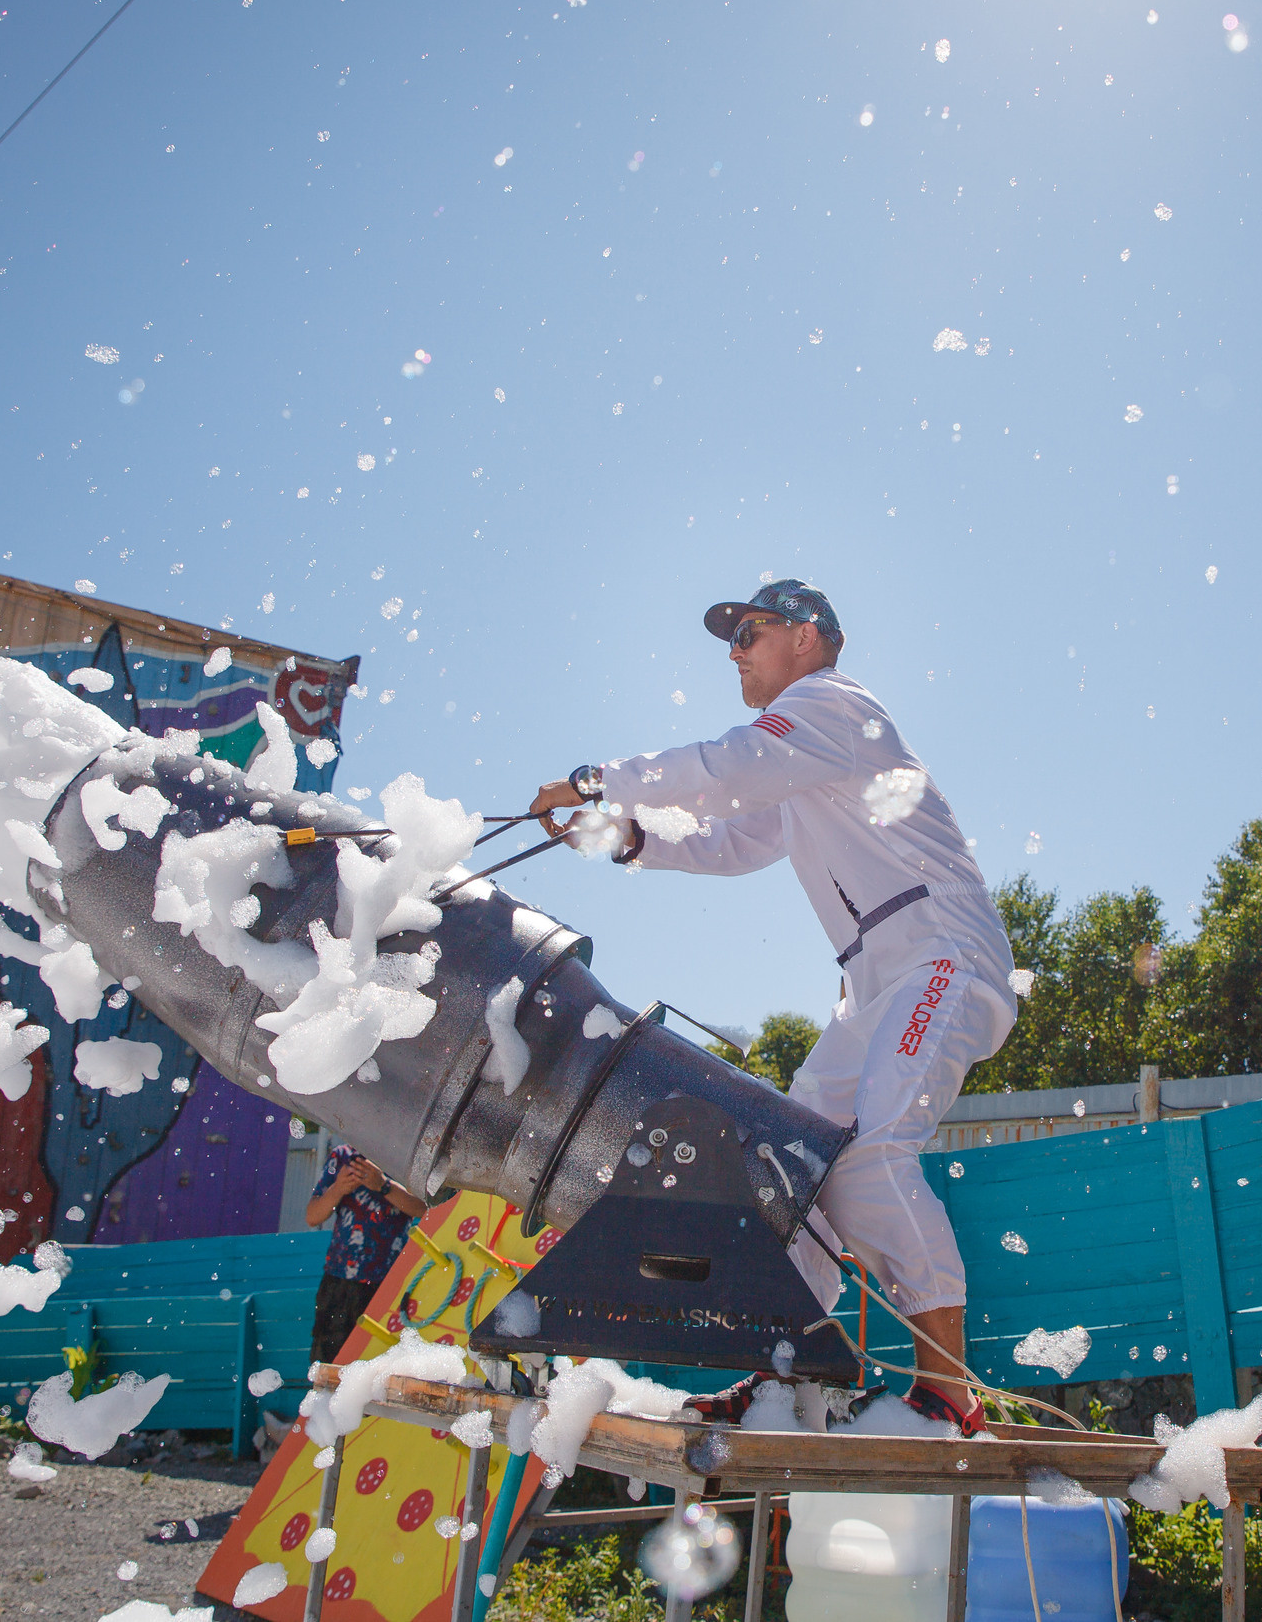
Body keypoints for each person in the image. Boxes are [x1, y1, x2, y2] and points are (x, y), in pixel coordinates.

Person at [529, 579, 1016, 1435]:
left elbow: (724, 771)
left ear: (807, 635)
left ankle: (950, 1391)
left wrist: (597, 779)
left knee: (864, 1159)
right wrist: (627, 836)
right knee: (791, 1165)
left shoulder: (831, 705)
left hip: (943, 952)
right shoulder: (803, 763)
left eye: (748, 631)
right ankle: (783, 1379)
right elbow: (728, 840)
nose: (734, 651)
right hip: (875, 980)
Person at [303, 1143, 427, 1365]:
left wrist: (383, 1185)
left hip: (388, 1286)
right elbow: (313, 1216)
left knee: (380, 1363)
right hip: (339, 1282)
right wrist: (338, 1188)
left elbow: (424, 1209)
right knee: (328, 1363)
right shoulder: (344, 1156)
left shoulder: (406, 1156)